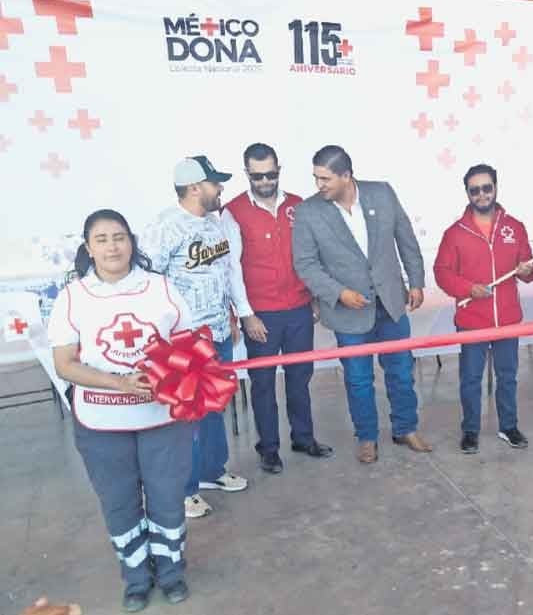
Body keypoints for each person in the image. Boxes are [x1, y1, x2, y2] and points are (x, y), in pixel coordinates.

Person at [49, 209, 195, 610]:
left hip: (162, 417)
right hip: (101, 421)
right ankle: (135, 577)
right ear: (88, 249)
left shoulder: (161, 288)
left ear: (132, 241)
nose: (113, 246)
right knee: (118, 500)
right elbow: (65, 364)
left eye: (119, 237)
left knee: (166, 496)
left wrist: (165, 377)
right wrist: (120, 383)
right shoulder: (72, 298)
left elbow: (188, 344)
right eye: (102, 239)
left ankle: (170, 572)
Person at [292, 145, 430, 464]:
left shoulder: (381, 194)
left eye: (325, 179)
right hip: (348, 312)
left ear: (346, 176)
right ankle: (366, 436)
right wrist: (338, 293)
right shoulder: (308, 212)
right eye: (315, 178)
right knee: (357, 378)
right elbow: (305, 264)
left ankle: (405, 428)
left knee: (400, 370)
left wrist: (417, 281)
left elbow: (405, 238)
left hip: (391, 302)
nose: (319, 185)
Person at [141, 156, 248, 519]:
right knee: (187, 413)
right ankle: (183, 490)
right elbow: (148, 283)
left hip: (217, 329)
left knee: (214, 405)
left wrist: (231, 315)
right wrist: (164, 333)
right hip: (185, 338)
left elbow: (222, 273)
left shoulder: (214, 224)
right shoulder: (165, 227)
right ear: (193, 188)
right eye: (214, 183)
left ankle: (211, 472)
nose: (220, 189)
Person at [220, 143, 332, 474]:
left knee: (300, 376)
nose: (265, 180)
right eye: (258, 176)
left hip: (298, 308)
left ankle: (303, 437)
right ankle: (269, 448)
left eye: (271, 174)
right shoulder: (233, 212)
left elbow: (310, 256)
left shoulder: (298, 206)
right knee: (264, 382)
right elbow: (232, 269)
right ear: (247, 174)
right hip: (261, 314)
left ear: (279, 170)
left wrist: (313, 297)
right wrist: (246, 314)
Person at [434, 164, 533, 453]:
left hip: (507, 319)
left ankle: (509, 426)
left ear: (495, 187)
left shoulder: (514, 227)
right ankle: (470, 430)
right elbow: (442, 272)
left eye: (486, 187)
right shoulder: (454, 233)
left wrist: (526, 270)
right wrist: (468, 289)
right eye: (474, 190)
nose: (481, 194)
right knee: (470, 379)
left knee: (508, 376)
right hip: (471, 319)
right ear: (467, 193)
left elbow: (529, 271)